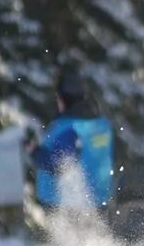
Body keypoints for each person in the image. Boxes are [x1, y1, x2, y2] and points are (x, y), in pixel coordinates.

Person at [27, 67, 114, 216]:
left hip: (69, 204)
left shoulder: (69, 128)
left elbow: (60, 163)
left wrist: (35, 151)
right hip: (98, 199)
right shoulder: (100, 124)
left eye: (58, 98)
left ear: (66, 99)